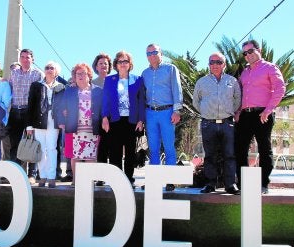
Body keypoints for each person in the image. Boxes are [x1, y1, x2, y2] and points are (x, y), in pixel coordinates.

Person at [235, 40, 286, 195]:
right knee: (239, 149)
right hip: (245, 115)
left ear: (259, 50)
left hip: (262, 114)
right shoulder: (244, 73)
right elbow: (240, 94)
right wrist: (238, 112)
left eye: (250, 51)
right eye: (245, 53)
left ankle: (264, 184)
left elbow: (280, 88)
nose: (248, 55)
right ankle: (243, 184)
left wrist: (268, 110)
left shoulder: (270, 68)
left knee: (264, 149)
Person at [193, 52, 241, 195]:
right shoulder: (201, 82)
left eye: (218, 62)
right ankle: (210, 184)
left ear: (224, 64)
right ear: (208, 65)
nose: (215, 65)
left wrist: (229, 111)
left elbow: (237, 99)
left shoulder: (232, 81)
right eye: (211, 62)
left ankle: (230, 185)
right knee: (210, 155)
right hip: (208, 123)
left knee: (230, 155)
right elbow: (196, 101)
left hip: (227, 123)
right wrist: (206, 112)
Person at [141, 44, 183, 191]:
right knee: (153, 149)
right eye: (149, 53)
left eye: (155, 52)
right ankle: (153, 181)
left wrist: (177, 111)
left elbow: (177, 89)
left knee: (169, 147)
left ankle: (170, 181)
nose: (152, 55)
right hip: (150, 113)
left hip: (167, 112)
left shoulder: (170, 69)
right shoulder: (144, 73)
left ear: (161, 53)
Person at [101, 51, 145, 185]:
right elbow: (105, 100)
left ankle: (129, 178)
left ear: (130, 64)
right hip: (115, 120)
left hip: (131, 121)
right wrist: (104, 117)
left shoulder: (137, 80)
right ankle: (117, 178)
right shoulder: (110, 80)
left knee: (131, 151)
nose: (123, 64)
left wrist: (141, 120)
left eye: (125, 61)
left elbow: (142, 100)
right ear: (116, 64)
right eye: (120, 61)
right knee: (115, 151)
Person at [55, 63, 103, 185]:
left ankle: (88, 181)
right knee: (75, 156)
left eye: (83, 73)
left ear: (89, 76)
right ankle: (76, 180)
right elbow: (61, 107)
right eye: (78, 74)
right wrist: (61, 121)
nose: (81, 76)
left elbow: (102, 108)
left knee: (90, 156)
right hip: (73, 127)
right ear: (75, 77)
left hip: (92, 129)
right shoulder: (69, 91)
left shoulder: (97, 90)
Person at [26, 61, 66, 188]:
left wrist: (62, 122)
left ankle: (52, 177)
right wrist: (29, 126)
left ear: (56, 72)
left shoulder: (61, 87)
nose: (49, 70)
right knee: (41, 149)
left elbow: (63, 106)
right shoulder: (36, 86)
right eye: (47, 68)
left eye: (52, 68)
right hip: (39, 120)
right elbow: (31, 106)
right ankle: (42, 176)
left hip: (54, 121)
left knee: (52, 149)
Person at [8, 49, 43, 182]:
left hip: (30, 112)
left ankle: (32, 174)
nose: (24, 59)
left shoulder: (37, 74)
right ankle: (15, 172)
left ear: (32, 59)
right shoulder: (14, 73)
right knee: (14, 143)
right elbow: (9, 89)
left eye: (27, 57)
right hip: (15, 111)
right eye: (22, 57)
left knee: (32, 142)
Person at [91, 53, 112, 186]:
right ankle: (101, 176)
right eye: (101, 63)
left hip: (114, 119)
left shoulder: (115, 80)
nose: (103, 65)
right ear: (96, 67)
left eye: (106, 63)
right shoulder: (92, 83)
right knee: (101, 148)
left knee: (113, 148)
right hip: (97, 120)